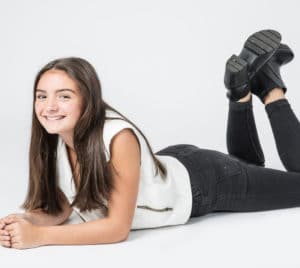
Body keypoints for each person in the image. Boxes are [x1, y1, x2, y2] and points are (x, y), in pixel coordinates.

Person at [1, 29, 300, 250]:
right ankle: (241, 92)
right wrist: (25, 221)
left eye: (63, 96)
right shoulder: (56, 139)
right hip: (176, 165)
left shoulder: (118, 137)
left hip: (207, 183)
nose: (49, 106)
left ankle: (271, 89)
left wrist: (40, 238)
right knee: (248, 165)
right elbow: (66, 206)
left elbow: (117, 228)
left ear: (87, 100)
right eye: (42, 96)